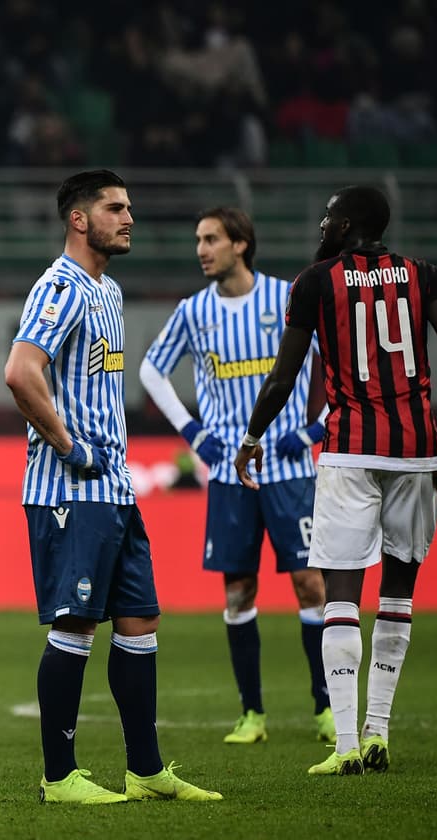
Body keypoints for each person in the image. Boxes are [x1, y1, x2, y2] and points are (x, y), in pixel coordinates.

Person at [3, 170, 222, 804]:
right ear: (79, 218)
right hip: (69, 491)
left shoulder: (110, 291)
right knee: (75, 626)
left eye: (130, 207)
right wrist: (70, 448)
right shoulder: (62, 288)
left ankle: (146, 769)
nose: (129, 218)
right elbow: (20, 373)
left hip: (116, 491)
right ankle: (59, 776)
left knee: (139, 620)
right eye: (115, 208)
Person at [234, 186, 437, 776]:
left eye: (329, 215)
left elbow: (284, 376)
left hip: (350, 452)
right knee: (398, 595)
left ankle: (345, 749)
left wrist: (253, 437)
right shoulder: (424, 274)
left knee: (341, 595)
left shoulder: (314, 282)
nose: (321, 223)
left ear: (350, 224)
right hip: (416, 450)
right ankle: (379, 731)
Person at [139, 207, 333, 745]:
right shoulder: (194, 311)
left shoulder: (285, 299)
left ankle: (325, 706)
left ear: (241, 244)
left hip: (291, 469)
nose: (201, 249)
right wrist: (193, 432)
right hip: (228, 472)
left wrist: (314, 430)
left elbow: (337, 365)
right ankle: (253, 714)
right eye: (198, 240)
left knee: (309, 583)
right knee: (238, 588)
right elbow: (152, 370)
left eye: (211, 239)